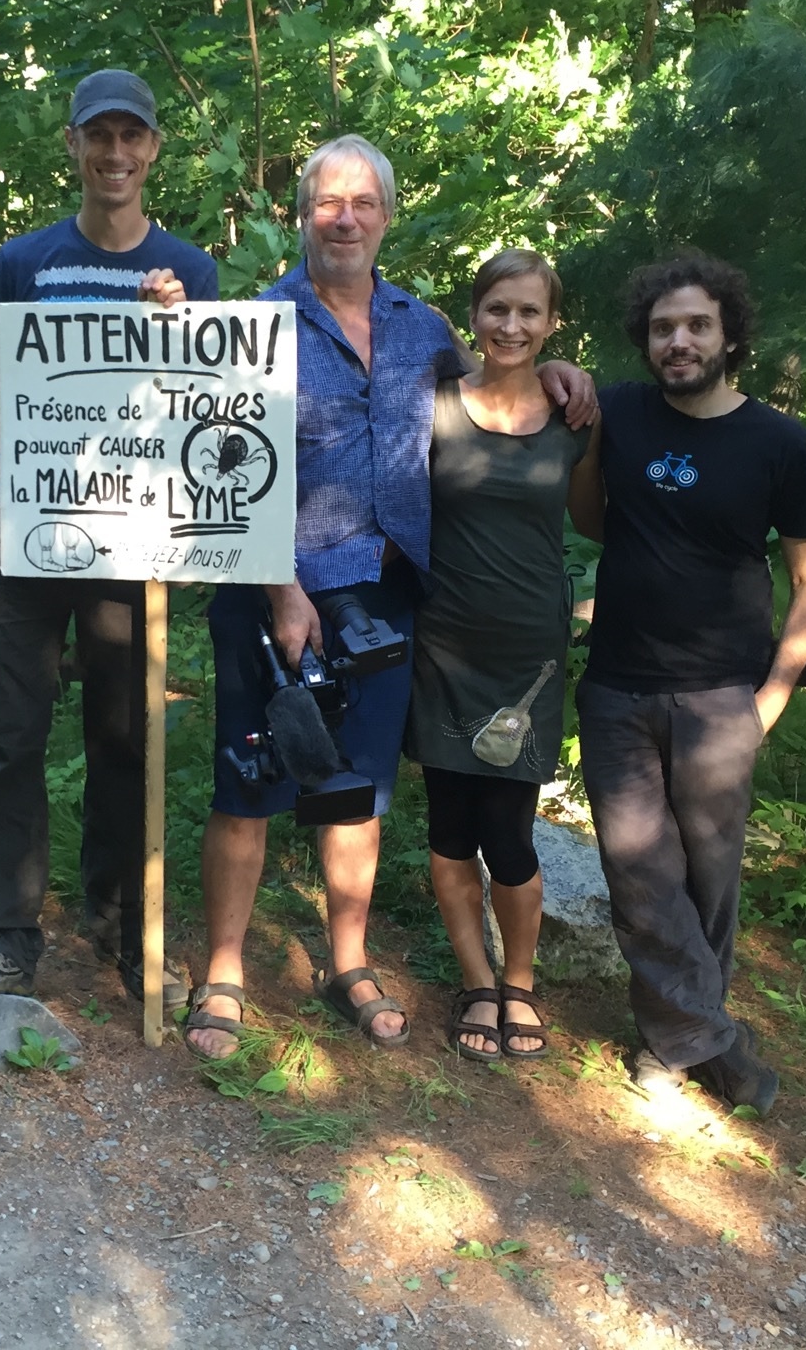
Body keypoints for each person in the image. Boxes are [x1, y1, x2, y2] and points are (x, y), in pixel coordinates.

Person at [183, 137, 595, 1058]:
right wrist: (282, 590)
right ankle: (224, 972)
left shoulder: (425, 329)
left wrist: (563, 376)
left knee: (359, 791)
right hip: (273, 588)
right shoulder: (257, 326)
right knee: (248, 784)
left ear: (387, 216)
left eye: (363, 202)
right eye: (328, 202)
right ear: (301, 214)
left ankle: (348, 962)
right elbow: (220, 471)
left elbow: (496, 386)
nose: (346, 219)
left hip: (389, 595)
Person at [0, 69, 218, 1003]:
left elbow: (204, 414)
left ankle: (125, 928)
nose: (115, 153)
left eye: (131, 136)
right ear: (73, 145)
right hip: (26, 539)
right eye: (98, 135)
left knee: (126, 740)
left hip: (131, 547)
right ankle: (3, 938)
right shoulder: (25, 263)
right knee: (7, 739)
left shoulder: (189, 272)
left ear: (153, 150)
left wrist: (176, 333)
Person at [567, 251, 806, 1113]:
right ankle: (710, 1040)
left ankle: (673, 1042)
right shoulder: (619, 411)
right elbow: (589, 517)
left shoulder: (780, 443)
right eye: (662, 328)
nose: (678, 342)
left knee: (710, 881)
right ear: (644, 340)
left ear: (729, 335)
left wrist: (772, 698)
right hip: (617, 686)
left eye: (696, 326)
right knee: (639, 874)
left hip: (724, 696)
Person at [406, 249, 600, 1062]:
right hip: (444, 645)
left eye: (528, 312)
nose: (511, 325)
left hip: (529, 656)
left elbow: (599, 522)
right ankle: (477, 982)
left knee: (510, 834)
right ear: (475, 315)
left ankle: (520, 983)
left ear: (551, 323)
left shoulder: (576, 419)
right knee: (451, 830)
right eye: (497, 309)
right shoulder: (435, 405)